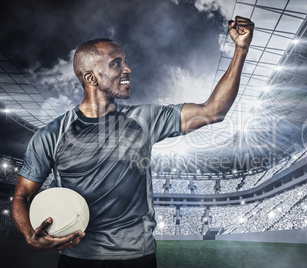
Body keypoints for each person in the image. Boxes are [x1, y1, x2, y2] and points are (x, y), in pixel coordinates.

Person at [11, 16, 254, 267]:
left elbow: (213, 111)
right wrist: (29, 235)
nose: (128, 69)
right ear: (91, 78)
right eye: (117, 64)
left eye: (125, 62)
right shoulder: (51, 135)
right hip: (77, 259)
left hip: (138, 259)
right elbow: (22, 197)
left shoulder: (145, 119)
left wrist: (241, 49)